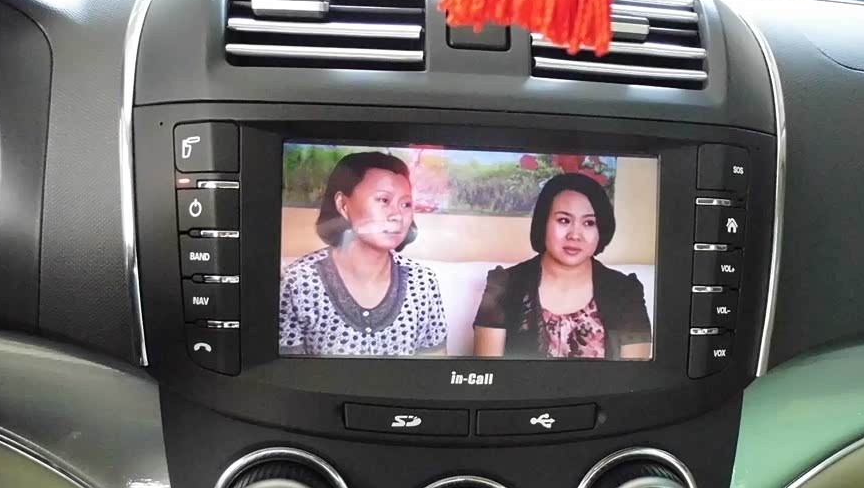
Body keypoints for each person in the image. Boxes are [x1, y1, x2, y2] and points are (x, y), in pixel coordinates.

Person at [279, 152, 448, 356]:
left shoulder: (423, 282)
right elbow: (285, 371)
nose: (397, 215)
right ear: (343, 205)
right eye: (383, 200)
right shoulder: (297, 282)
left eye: (406, 204)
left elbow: (433, 369)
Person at [473, 172, 651, 359]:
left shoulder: (625, 291)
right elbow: (489, 371)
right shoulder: (504, 285)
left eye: (589, 223)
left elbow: (633, 372)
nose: (575, 235)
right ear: (543, 223)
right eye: (564, 220)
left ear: (601, 230)